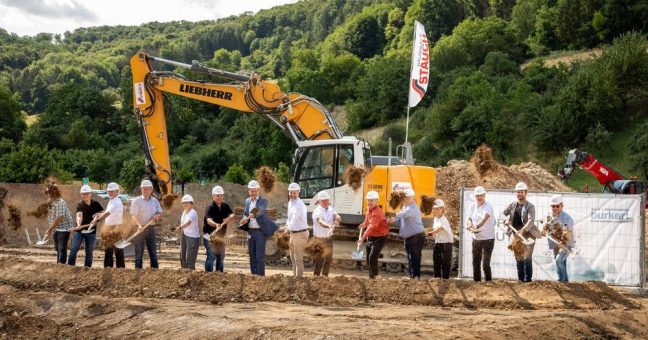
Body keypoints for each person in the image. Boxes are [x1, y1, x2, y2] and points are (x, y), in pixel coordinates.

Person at [501, 182, 539, 283]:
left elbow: (531, 220)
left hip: (528, 235)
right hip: (516, 235)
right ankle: (521, 280)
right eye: (518, 192)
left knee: (527, 257)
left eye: (521, 192)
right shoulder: (513, 205)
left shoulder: (530, 206)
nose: (519, 194)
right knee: (519, 257)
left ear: (525, 193)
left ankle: (528, 280)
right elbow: (503, 214)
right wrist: (506, 219)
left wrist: (522, 231)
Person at [240, 180, 278, 276]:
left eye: (255, 191)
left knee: (259, 256)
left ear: (258, 190)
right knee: (252, 255)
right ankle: (254, 275)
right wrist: (244, 219)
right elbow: (245, 213)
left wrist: (253, 213)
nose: (253, 193)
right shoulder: (247, 201)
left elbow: (261, 210)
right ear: (249, 191)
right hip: (250, 232)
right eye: (251, 191)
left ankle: (261, 277)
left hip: (260, 232)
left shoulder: (263, 201)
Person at [389, 188, 425, 279]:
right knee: (410, 258)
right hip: (410, 238)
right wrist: (394, 220)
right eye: (407, 198)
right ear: (404, 198)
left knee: (415, 258)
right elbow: (402, 219)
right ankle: (412, 277)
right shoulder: (405, 206)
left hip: (416, 237)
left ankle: (416, 277)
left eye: (411, 198)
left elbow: (404, 214)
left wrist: (394, 216)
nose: (409, 199)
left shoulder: (412, 208)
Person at [67, 185, 103, 267]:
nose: (85, 195)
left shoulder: (95, 204)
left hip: (91, 232)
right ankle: (70, 267)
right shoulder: (80, 204)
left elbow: (103, 213)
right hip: (79, 231)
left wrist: (97, 216)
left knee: (89, 251)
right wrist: (79, 224)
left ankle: (87, 268)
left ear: (90, 194)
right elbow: (79, 216)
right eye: (83, 194)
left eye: (87, 193)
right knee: (74, 249)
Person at [130, 179, 163, 269]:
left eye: (148, 189)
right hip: (139, 228)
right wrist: (139, 225)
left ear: (151, 190)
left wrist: (157, 216)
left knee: (152, 251)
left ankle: (155, 271)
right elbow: (133, 216)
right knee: (139, 251)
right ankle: (138, 269)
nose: (146, 191)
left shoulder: (155, 201)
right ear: (141, 190)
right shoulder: (136, 201)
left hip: (150, 228)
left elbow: (159, 212)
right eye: (144, 189)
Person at [92, 182, 125, 268]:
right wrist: (99, 214)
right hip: (110, 227)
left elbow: (107, 213)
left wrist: (98, 219)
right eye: (109, 191)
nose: (110, 193)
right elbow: (107, 211)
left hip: (116, 227)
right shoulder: (112, 200)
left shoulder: (116, 201)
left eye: (112, 191)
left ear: (117, 191)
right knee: (109, 249)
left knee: (117, 250)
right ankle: (110, 268)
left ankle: (118, 269)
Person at [203, 185, 234, 272]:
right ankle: (209, 276)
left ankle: (219, 275)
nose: (219, 197)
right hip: (208, 235)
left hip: (219, 237)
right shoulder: (209, 207)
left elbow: (232, 214)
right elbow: (209, 220)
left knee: (220, 256)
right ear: (213, 196)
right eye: (217, 195)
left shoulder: (225, 206)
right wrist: (216, 225)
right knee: (211, 255)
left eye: (221, 195)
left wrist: (229, 218)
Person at [358, 191, 388, 279]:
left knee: (372, 257)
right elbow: (368, 219)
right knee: (368, 258)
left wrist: (362, 238)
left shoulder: (377, 213)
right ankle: (371, 277)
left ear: (376, 201)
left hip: (380, 237)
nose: (369, 202)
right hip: (371, 236)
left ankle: (375, 276)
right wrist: (364, 224)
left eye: (372, 200)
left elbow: (371, 227)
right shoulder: (368, 208)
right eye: (368, 200)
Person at [467, 186, 495, 282]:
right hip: (476, 238)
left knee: (485, 264)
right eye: (477, 196)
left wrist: (477, 226)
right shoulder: (472, 206)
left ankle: (488, 282)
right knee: (476, 262)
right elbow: (469, 218)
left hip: (488, 239)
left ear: (484, 196)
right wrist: (470, 224)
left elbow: (484, 218)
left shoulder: (488, 207)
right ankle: (477, 283)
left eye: (481, 195)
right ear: (475, 196)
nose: (479, 197)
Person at [544, 194, 575, 282]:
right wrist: (544, 230)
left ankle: (562, 281)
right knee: (561, 262)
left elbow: (568, 232)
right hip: (555, 244)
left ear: (562, 205)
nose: (555, 208)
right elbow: (546, 227)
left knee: (558, 261)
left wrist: (563, 241)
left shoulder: (567, 218)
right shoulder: (550, 216)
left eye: (557, 206)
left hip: (566, 244)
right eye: (553, 206)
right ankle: (565, 281)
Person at [312, 190, 340, 277]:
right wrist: (329, 226)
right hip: (319, 239)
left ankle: (325, 276)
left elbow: (337, 216)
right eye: (323, 200)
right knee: (319, 260)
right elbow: (320, 221)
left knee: (328, 259)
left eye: (326, 200)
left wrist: (337, 219)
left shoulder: (330, 209)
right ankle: (316, 276)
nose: (325, 202)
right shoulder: (317, 211)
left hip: (328, 238)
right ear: (319, 201)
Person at [44, 184, 74, 264]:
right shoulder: (51, 202)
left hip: (64, 228)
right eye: (47, 192)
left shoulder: (60, 203)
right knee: (58, 248)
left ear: (54, 192)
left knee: (62, 248)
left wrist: (49, 229)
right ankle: (59, 263)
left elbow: (59, 218)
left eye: (49, 192)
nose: (48, 194)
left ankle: (61, 265)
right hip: (56, 228)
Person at [285, 183, 309, 277]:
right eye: (291, 192)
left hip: (300, 233)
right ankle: (295, 276)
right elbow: (289, 218)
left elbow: (294, 219)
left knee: (298, 258)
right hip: (293, 233)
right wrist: (287, 226)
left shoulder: (299, 204)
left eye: (294, 193)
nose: (292, 195)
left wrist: (288, 229)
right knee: (292, 256)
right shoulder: (290, 202)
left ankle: (299, 279)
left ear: (298, 193)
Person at [427, 199, 453, 279]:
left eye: (438, 208)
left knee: (445, 263)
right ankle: (437, 278)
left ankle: (445, 280)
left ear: (442, 209)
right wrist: (431, 235)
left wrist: (432, 233)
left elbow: (441, 228)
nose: (436, 210)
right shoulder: (435, 219)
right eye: (435, 209)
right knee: (436, 261)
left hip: (446, 244)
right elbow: (437, 232)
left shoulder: (444, 219)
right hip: (438, 242)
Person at [177, 194, 200, 270]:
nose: (185, 204)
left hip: (192, 237)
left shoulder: (193, 212)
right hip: (185, 235)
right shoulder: (184, 212)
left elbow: (188, 223)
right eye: (184, 203)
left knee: (190, 257)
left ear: (191, 204)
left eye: (187, 203)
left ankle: (191, 273)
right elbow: (183, 223)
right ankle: (183, 271)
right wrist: (180, 228)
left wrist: (180, 227)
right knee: (182, 255)